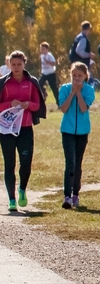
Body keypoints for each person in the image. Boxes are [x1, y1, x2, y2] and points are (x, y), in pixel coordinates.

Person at [0, 50, 46, 212]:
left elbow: (37, 105)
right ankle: (11, 199)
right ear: (8, 65)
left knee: (26, 162)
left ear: (24, 64)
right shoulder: (2, 83)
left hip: (25, 128)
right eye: (13, 64)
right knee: (9, 163)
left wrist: (28, 105)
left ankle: (22, 190)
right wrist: (10, 104)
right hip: (6, 129)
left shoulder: (31, 82)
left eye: (19, 64)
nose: (16, 67)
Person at [58, 62, 94, 209]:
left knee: (78, 163)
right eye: (74, 76)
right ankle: (67, 196)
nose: (77, 78)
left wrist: (79, 92)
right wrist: (72, 92)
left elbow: (83, 108)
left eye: (80, 76)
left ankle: (76, 194)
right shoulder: (65, 89)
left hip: (82, 131)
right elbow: (64, 109)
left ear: (85, 76)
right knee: (70, 162)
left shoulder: (89, 90)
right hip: (67, 130)